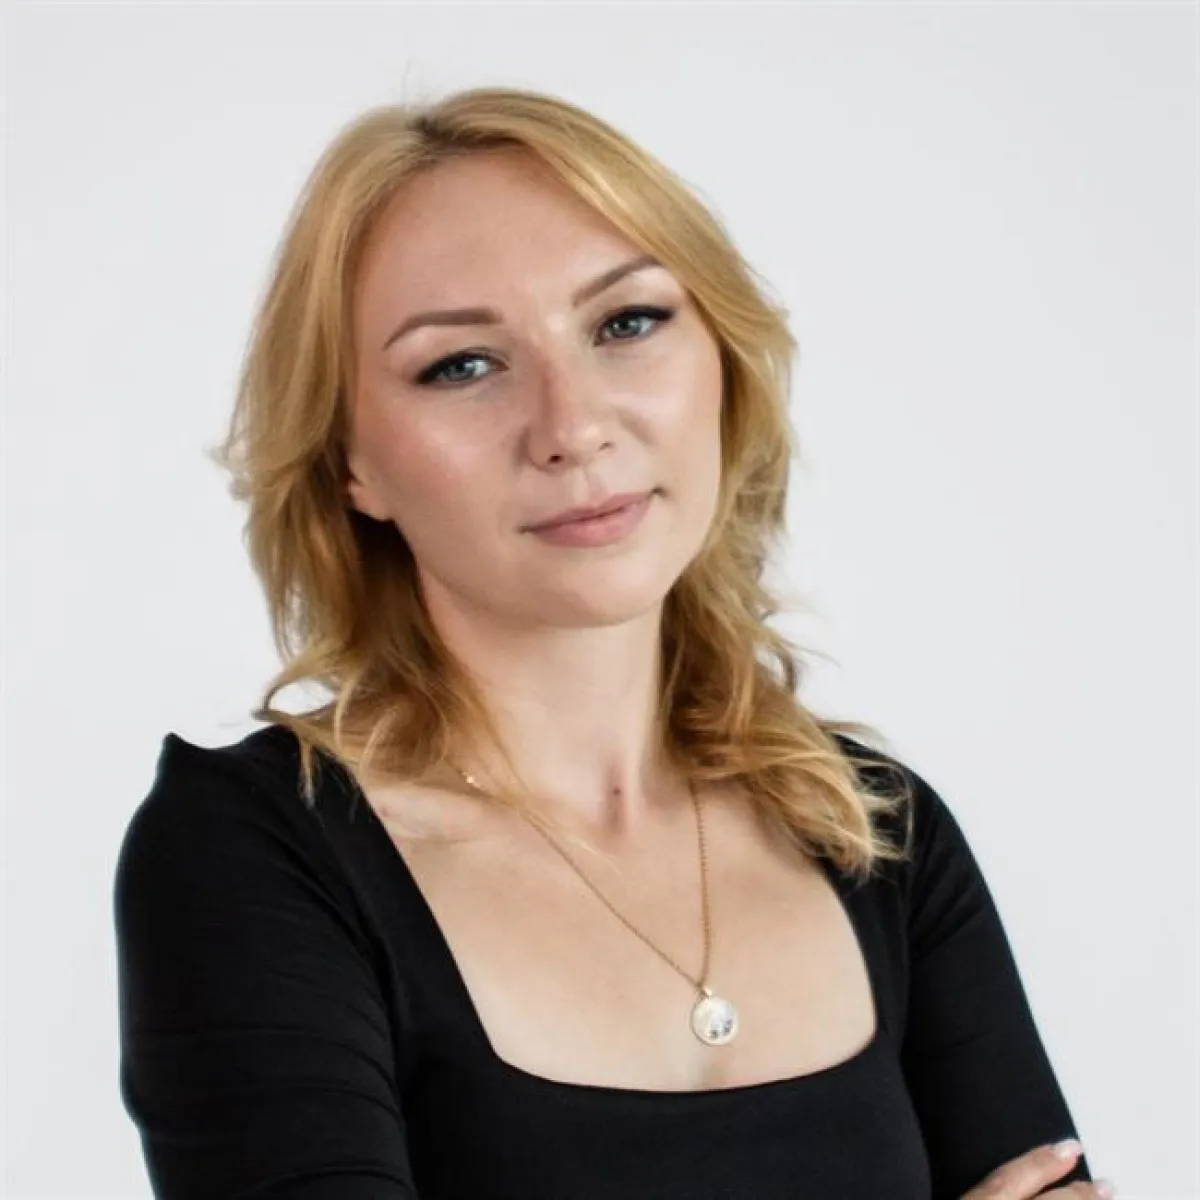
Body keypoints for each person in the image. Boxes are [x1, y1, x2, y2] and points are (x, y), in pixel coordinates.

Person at [113, 85, 1109, 1199]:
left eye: (626, 324)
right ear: (352, 462)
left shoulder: (875, 833)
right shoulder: (254, 853)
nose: (574, 425)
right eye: (461, 365)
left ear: (723, 362)